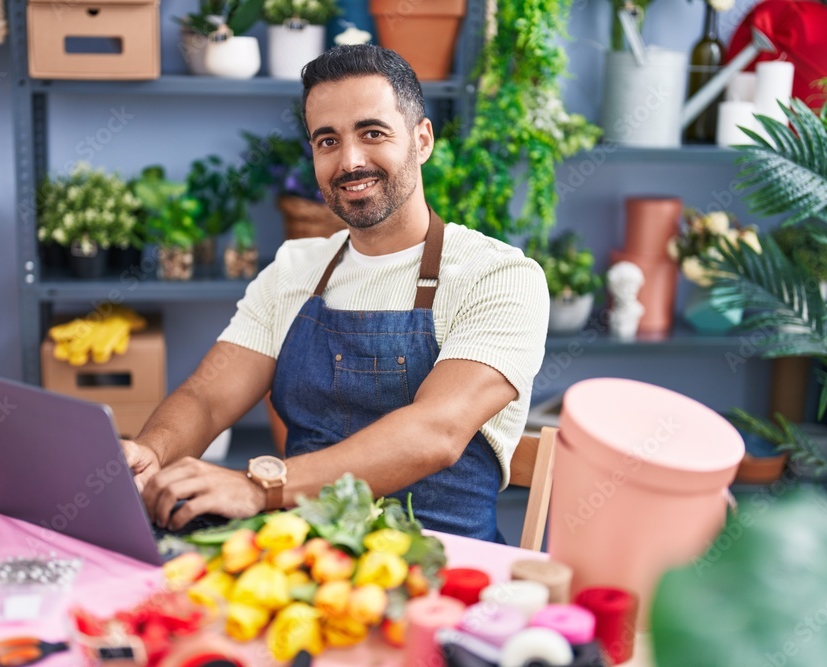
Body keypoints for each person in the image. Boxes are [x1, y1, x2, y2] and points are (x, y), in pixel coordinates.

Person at [122, 44, 549, 542]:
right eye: (327, 141)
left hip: (443, 568)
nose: (349, 161)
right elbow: (207, 397)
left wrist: (263, 488)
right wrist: (151, 451)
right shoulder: (295, 269)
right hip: (304, 560)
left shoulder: (496, 276)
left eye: (372, 133)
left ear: (422, 140)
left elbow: (435, 432)